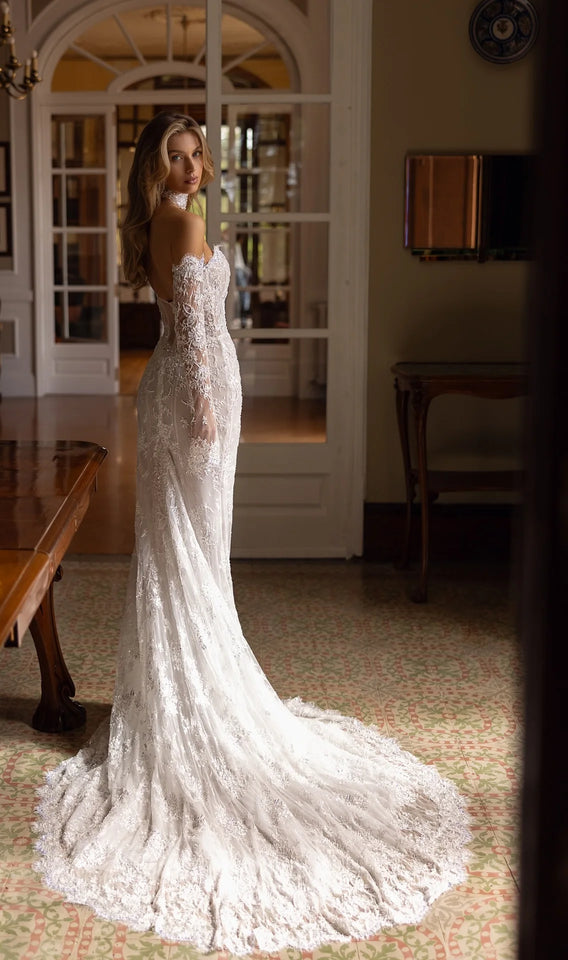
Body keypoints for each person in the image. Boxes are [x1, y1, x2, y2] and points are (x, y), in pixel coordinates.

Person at [34, 113, 470, 955]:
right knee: (188, 553)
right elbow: (196, 334)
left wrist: (199, 401)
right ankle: (187, 702)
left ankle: (174, 691)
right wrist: (204, 412)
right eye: (177, 154)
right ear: (153, 165)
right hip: (193, 398)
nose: (194, 166)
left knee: (184, 552)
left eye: (199, 153)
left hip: (179, 392)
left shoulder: (162, 220)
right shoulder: (182, 220)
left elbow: (184, 319)